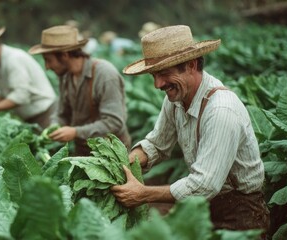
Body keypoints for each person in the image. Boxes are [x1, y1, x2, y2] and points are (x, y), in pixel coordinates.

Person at [111, 25, 269, 233]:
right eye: (154, 76)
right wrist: (125, 163)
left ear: (192, 65)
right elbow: (157, 144)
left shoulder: (221, 110)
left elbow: (205, 185)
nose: (158, 84)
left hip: (241, 212)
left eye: (164, 74)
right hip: (203, 205)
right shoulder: (176, 97)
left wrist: (144, 194)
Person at [29, 25, 131, 156]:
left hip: (112, 152)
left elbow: (114, 122)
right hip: (83, 150)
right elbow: (62, 113)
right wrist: (54, 126)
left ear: (65, 55)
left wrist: (75, 132)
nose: (47, 67)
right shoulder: (65, 76)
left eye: (48, 60)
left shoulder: (105, 74)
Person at [0, 24, 57, 129]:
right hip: (32, 116)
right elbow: (0, 90)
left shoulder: (13, 59)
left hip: (46, 114)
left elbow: (21, 96)